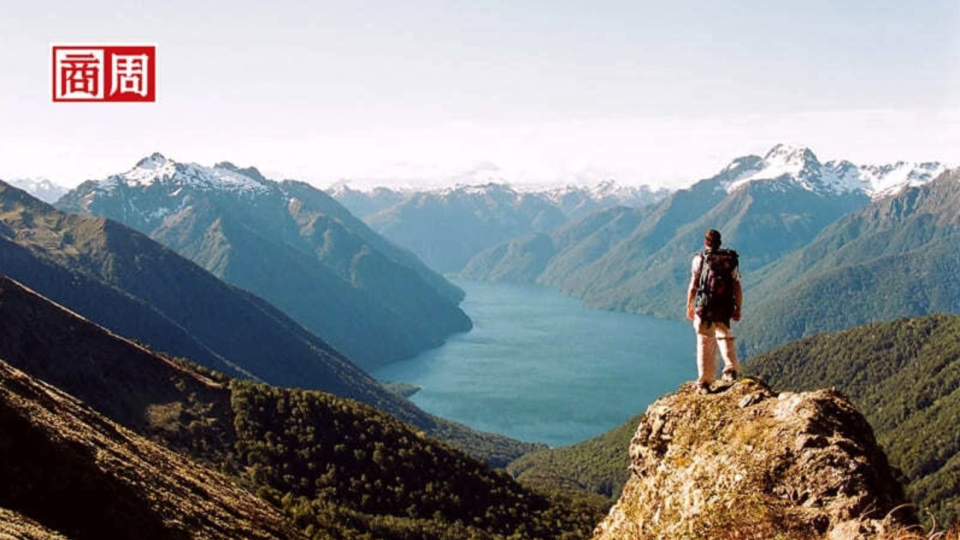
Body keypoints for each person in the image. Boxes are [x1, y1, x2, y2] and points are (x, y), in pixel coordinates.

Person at [686, 229, 742, 394]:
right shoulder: (730, 259)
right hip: (724, 306)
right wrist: (738, 308)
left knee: (705, 341)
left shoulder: (700, 259)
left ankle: (704, 382)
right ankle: (731, 369)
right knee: (725, 335)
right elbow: (737, 286)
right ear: (720, 242)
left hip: (705, 306)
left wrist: (689, 305)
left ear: (706, 242)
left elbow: (694, 285)